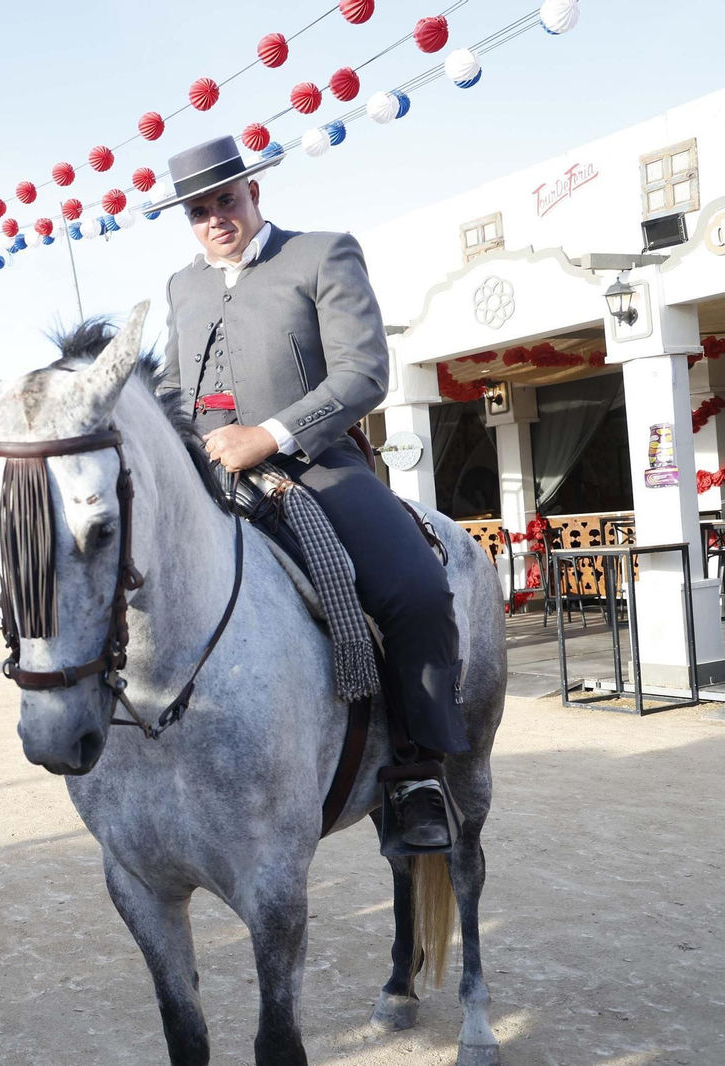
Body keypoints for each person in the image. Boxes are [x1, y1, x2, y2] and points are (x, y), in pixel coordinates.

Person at [146, 135, 464, 849]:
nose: (214, 219)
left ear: (253, 193)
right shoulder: (181, 287)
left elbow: (362, 373)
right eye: (198, 211)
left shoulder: (322, 254)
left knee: (416, 591)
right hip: (210, 475)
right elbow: (172, 387)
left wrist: (270, 434)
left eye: (225, 200)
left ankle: (417, 772)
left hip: (315, 466)